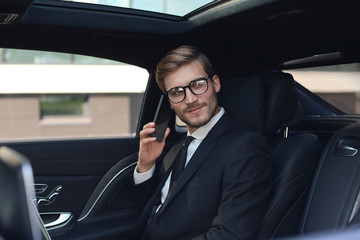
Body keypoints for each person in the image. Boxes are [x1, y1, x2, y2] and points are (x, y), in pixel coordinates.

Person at [129, 45, 273, 240]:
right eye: (177, 92)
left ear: (215, 83)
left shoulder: (245, 147)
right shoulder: (177, 147)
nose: (190, 99)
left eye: (197, 84)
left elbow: (231, 235)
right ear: (170, 102)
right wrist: (145, 165)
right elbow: (156, 209)